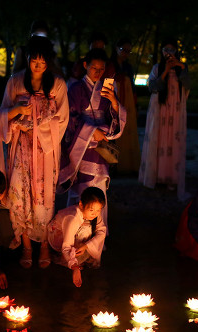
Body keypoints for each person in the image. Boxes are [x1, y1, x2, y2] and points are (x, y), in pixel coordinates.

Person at [0, 35, 69, 269]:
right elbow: (2, 115)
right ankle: (26, 244)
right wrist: (17, 110)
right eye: (34, 61)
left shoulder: (57, 85)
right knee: (20, 194)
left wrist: (41, 124)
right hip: (21, 147)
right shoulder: (15, 82)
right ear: (27, 59)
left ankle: (44, 243)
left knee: (44, 195)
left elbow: (63, 118)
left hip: (45, 148)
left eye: (43, 61)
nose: (38, 66)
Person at [59, 47, 126, 235]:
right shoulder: (76, 89)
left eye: (102, 69)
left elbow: (115, 116)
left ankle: (98, 235)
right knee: (82, 190)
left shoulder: (106, 89)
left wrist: (113, 101)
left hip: (100, 147)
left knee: (99, 189)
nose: (98, 72)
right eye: (94, 68)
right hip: (82, 147)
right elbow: (69, 117)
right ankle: (75, 233)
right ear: (85, 66)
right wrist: (91, 131)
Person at [139, 39, 191, 199]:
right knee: (159, 139)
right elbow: (153, 87)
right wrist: (165, 70)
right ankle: (156, 175)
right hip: (160, 110)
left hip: (175, 111)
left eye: (172, 49)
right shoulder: (157, 67)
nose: (169, 52)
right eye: (166, 49)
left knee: (172, 142)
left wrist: (181, 68)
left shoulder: (182, 67)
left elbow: (188, 86)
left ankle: (171, 177)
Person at [47, 186, 107, 287]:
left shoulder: (95, 212)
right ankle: (61, 259)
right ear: (81, 205)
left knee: (88, 231)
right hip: (58, 237)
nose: (95, 214)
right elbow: (66, 247)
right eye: (91, 210)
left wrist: (86, 246)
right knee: (86, 231)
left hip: (74, 235)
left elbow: (102, 231)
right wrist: (75, 268)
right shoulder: (72, 219)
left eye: (98, 210)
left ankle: (78, 256)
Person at [110, 37, 141, 175]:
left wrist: (135, 103)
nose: (126, 53)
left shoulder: (128, 67)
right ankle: (115, 165)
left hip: (128, 101)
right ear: (117, 49)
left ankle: (128, 164)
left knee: (128, 130)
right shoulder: (110, 65)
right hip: (115, 100)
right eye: (124, 50)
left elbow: (133, 86)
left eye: (129, 51)